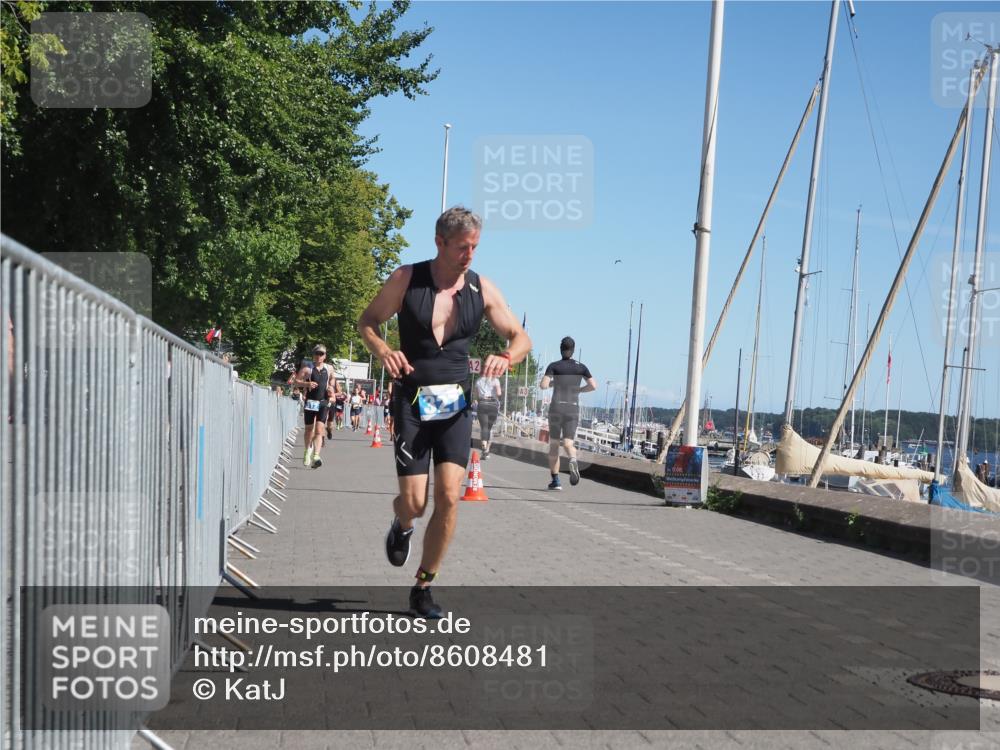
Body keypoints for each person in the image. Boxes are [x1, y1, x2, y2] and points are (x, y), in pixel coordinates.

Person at [358, 206, 531, 618]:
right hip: (412, 402)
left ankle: (424, 586)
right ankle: (402, 525)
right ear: (440, 243)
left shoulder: (481, 289)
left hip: (455, 406)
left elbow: (521, 337)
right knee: (415, 503)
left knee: (450, 497)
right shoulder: (406, 279)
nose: (469, 255)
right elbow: (367, 321)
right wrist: (384, 350)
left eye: (474, 247)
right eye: (461, 247)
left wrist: (507, 357)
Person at [539, 337, 597, 490]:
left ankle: (556, 481)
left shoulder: (554, 366)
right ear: (573, 349)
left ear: (560, 348)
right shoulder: (581, 367)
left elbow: (543, 385)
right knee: (568, 443)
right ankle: (573, 458)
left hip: (557, 408)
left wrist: (553, 383)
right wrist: (580, 390)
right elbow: (593, 386)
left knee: (554, 446)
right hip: (573, 407)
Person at [290, 345, 335, 468]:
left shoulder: (329, 368)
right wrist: (307, 383)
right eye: (317, 353)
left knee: (320, 429)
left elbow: (332, 379)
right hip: (311, 402)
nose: (319, 356)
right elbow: (295, 382)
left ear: (325, 356)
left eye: (321, 354)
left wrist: (331, 387)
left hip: (323, 402)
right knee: (309, 429)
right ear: (313, 355)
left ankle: (316, 455)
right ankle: (307, 451)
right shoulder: (307, 369)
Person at [473, 374, 501, 458]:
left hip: (482, 403)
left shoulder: (478, 381)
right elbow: (499, 393)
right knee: (490, 428)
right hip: (493, 404)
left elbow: (476, 396)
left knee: (484, 427)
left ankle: (484, 448)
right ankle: (487, 450)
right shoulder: (495, 380)